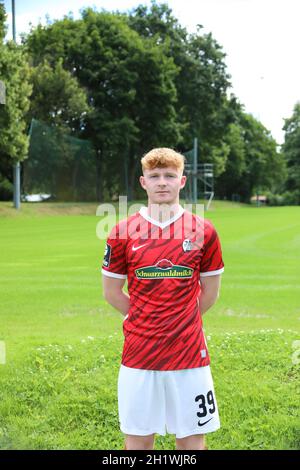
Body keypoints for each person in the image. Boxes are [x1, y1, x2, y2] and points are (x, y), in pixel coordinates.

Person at [102, 148, 224, 450]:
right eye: (155, 176)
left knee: (192, 438)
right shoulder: (122, 231)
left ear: (181, 182)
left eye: (169, 175)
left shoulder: (203, 230)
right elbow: (111, 292)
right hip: (139, 353)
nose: (162, 182)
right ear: (143, 182)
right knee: (139, 439)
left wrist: (182, 319)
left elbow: (210, 292)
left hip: (189, 351)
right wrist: (143, 318)